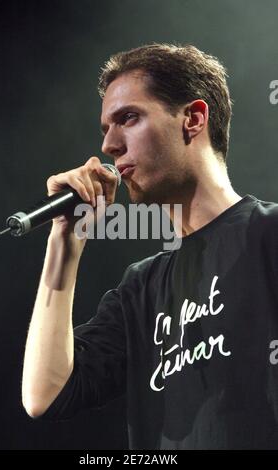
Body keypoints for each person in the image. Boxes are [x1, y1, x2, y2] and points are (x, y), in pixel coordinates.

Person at [22, 43, 278, 449]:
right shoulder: (139, 286)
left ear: (193, 119)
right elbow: (43, 396)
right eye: (106, 128)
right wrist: (64, 238)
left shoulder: (269, 234)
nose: (109, 145)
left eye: (128, 118)